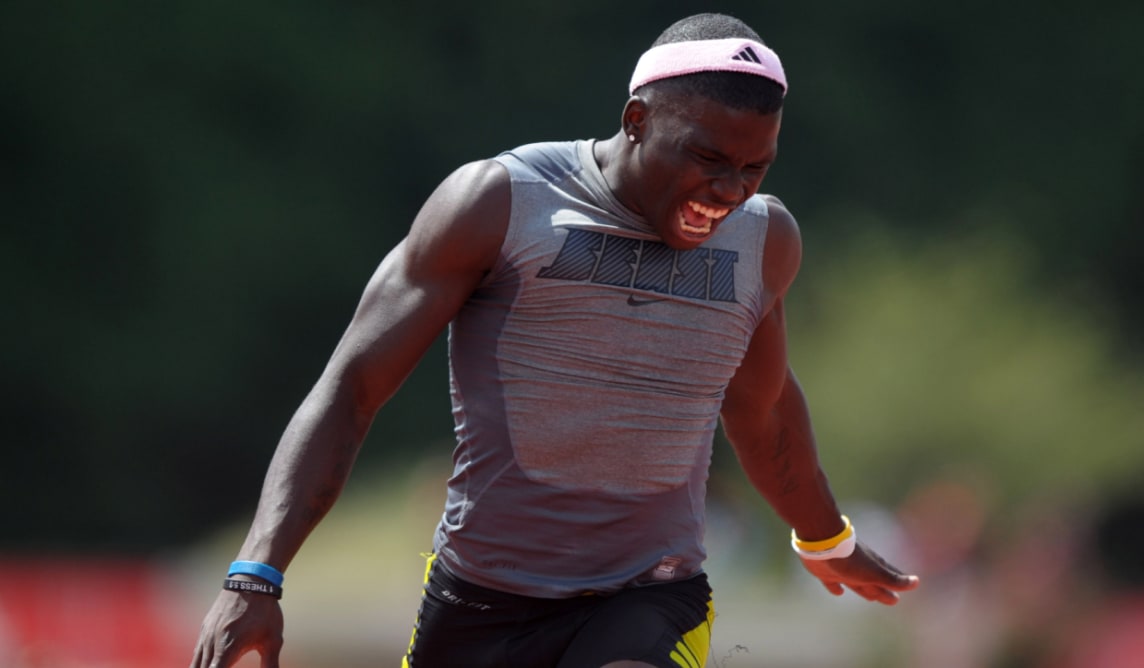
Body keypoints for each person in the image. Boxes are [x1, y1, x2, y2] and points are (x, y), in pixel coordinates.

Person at [190, 12, 919, 668]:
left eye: (753, 168)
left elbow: (763, 408)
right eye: (706, 158)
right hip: (479, 603)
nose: (729, 191)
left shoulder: (764, 241)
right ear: (637, 120)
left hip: (649, 598)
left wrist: (825, 539)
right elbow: (352, 388)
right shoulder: (500, 203)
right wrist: (255, 575)